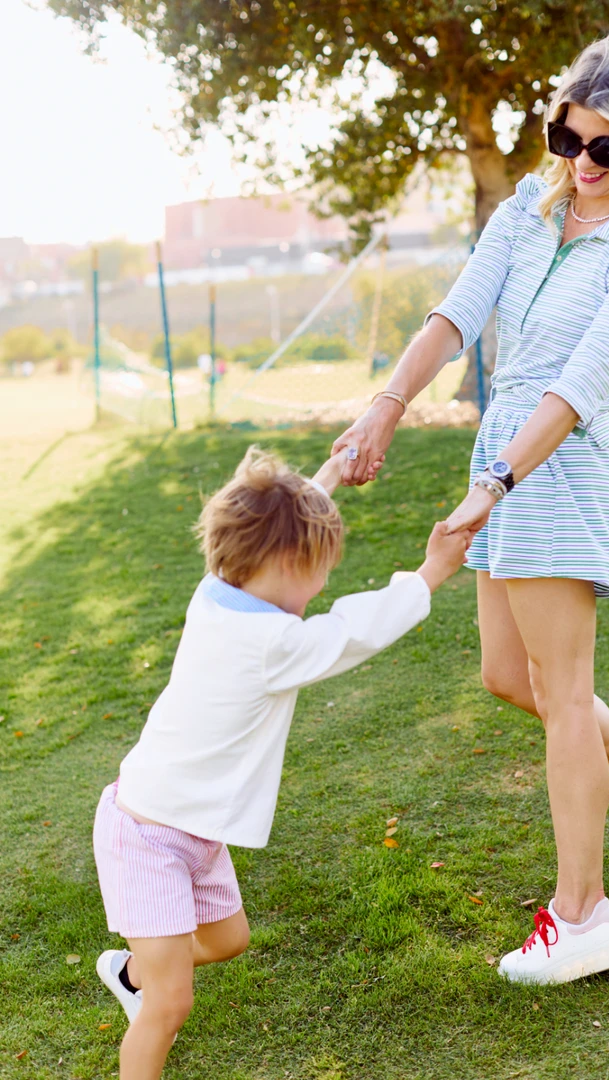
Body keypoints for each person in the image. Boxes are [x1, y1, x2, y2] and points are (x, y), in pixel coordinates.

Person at [331, 35, 609, 985]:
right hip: (501, 453)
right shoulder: (529, 205)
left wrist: (494, 484)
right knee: (509, 676)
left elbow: (585, 378)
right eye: (567, 138)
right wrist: (384, 407)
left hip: (558, 465)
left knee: (561, 696)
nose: (580, 166)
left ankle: (584, 914)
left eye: (605, 150)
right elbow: (457, 313)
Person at [93, 444, 473, 1079]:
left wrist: (328, 479)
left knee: (226, 941)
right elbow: (355, 630)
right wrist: (430, 572)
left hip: (196, 829)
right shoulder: (270, 643)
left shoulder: (216, 590)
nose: (324, 584)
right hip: (149, 835)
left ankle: (132, 970)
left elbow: (270, 520)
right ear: (286, 565)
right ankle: (148, 993)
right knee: (170, 1004)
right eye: (318, 569)